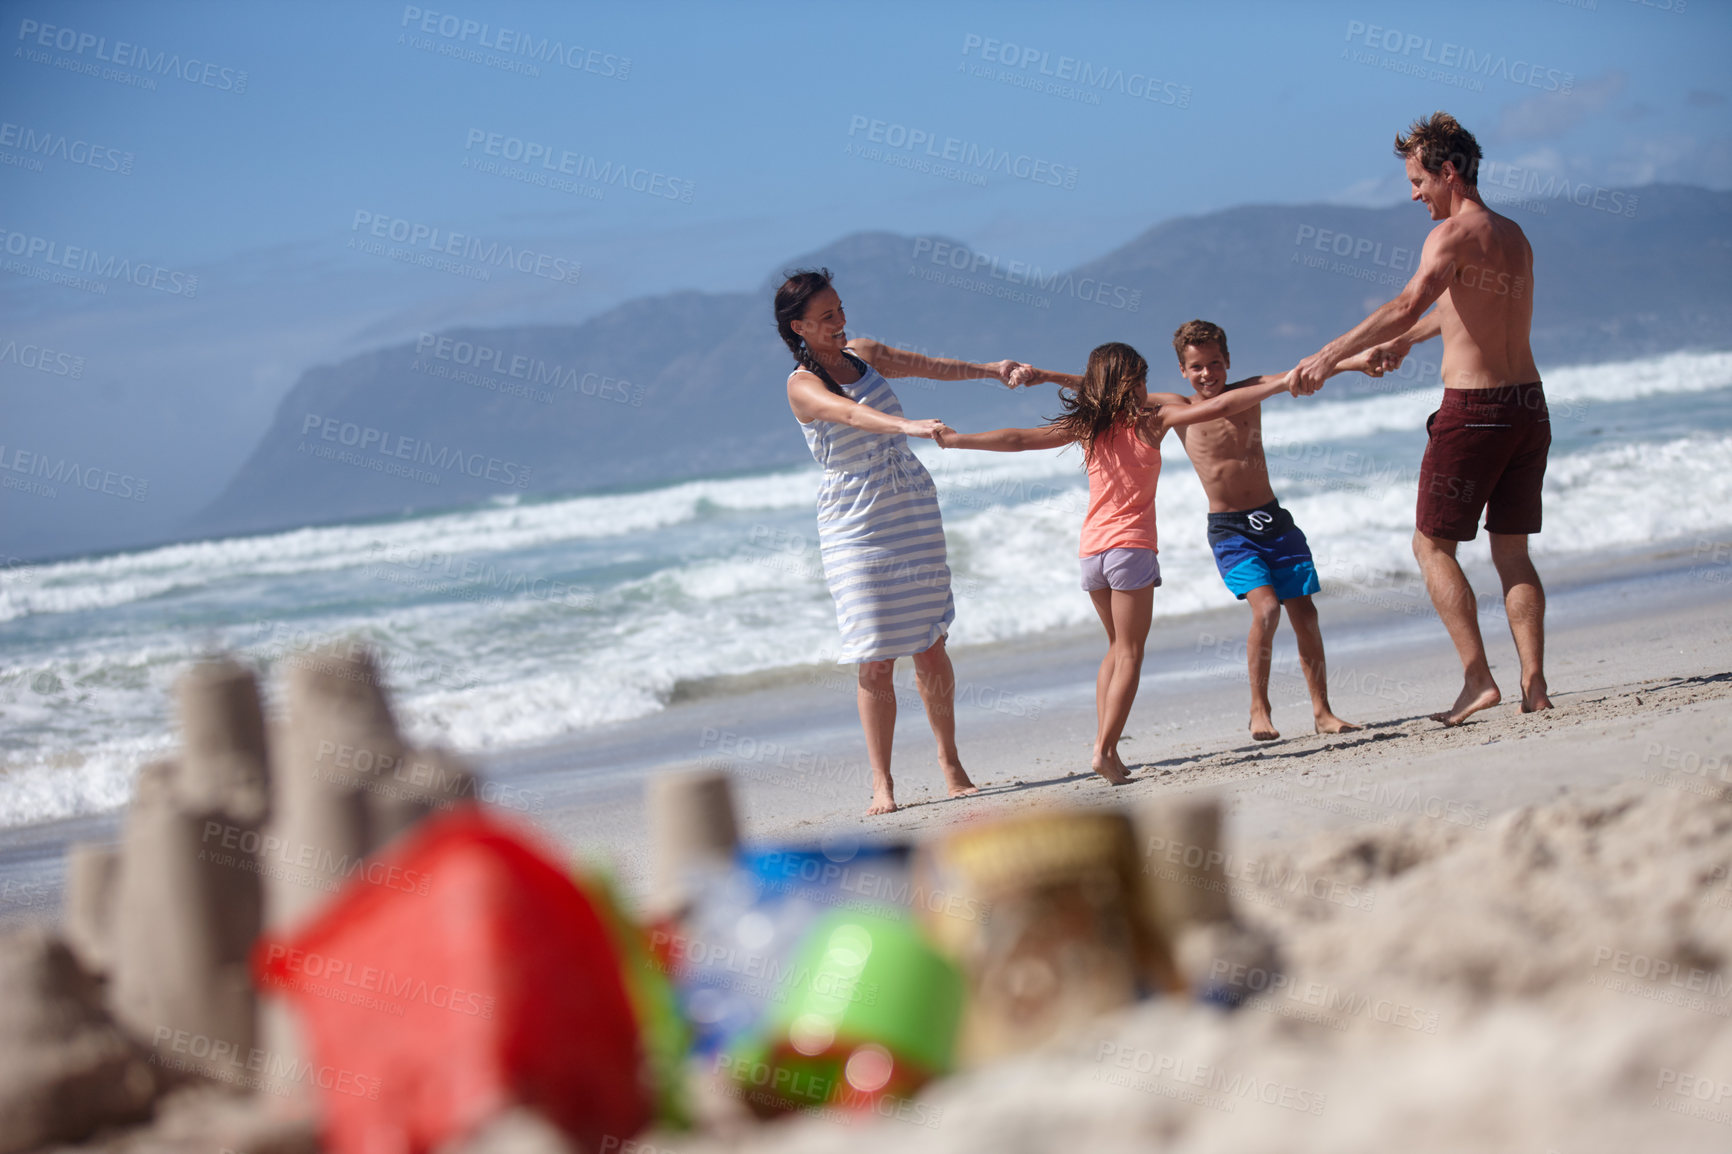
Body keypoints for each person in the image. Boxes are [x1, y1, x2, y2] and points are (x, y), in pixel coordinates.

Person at [935, 342, 1299, 783]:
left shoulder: (1086, 427)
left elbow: (1019, 439)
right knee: (1130, 652)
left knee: (1113, 649)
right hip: (1131, 549)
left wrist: (957, 441)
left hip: (1092, 553)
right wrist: (1282, 384)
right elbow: (1221, 405)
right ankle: (1105, 750)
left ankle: (1103, 745)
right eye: (1142, 379)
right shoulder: (1151, 423)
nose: (1148, 387)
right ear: (1129, 384)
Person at [1292, 111, 1553, 726]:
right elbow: (1471, 311)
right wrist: (1408, 343)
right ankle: (1534, 684)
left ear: (1449, 170)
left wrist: (1327, 356)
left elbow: (1409, 301)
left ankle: (1477, 680)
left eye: (1418, 181)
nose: (1414, 194)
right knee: (1510, 550)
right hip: (1528, 407)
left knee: (1432, 546)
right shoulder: (1513, 234)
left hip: (1475, 411)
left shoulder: (1449, 237)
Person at [775, 267, 1029, 815]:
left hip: (909, 503)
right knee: (873, 655)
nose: (840, 323)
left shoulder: (862, 351)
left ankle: (950, 762)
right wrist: (906, 426)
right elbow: (849, 413)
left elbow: (929, 367)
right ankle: (882, 782)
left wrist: (990, 369)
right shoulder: (802, 385)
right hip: (854, 520)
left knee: (930, 643)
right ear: (799, 327)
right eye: (825, 318)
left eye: (840, 309)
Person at [1170, 319, 1368, 740]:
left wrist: (1358, 361)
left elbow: (1306, 370)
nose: (1208, 373)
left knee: (1306, 614)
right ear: (1183, 371)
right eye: (1197, 367)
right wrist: (1044, 377)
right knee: (1267, 609)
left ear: (1228, 361)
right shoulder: (1177, 408)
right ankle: (1259, 708)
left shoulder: (1250, 390)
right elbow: (1111, 388)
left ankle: (1322, 712)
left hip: (1274, 521)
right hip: (1230, 530)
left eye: (1215, 363)